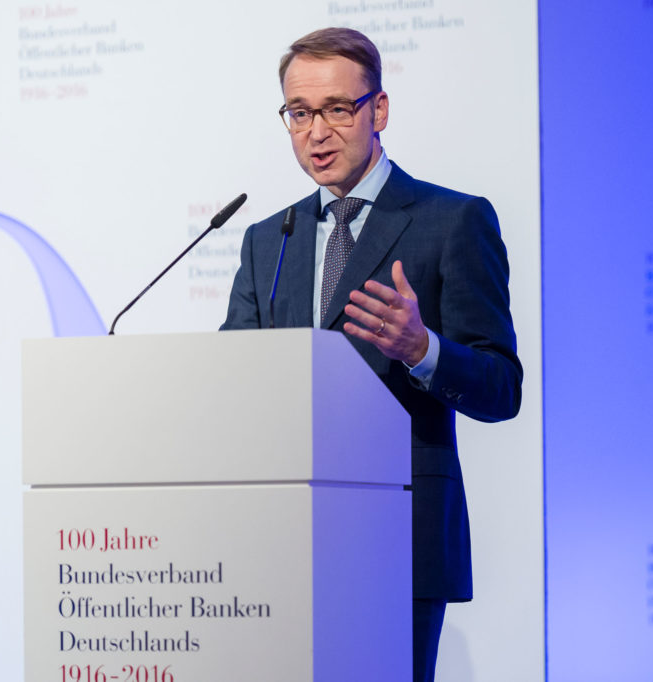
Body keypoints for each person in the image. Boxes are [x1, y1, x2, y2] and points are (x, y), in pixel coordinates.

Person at [220, 27, 522, 682]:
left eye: (336, 109)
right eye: (299, 113)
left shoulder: (453, 220)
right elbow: (232, 381)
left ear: (378, 110)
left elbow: (502, 388)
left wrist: (423, 349)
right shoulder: (267, 240)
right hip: (283, 544)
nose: (316, 132)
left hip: (400, 537)